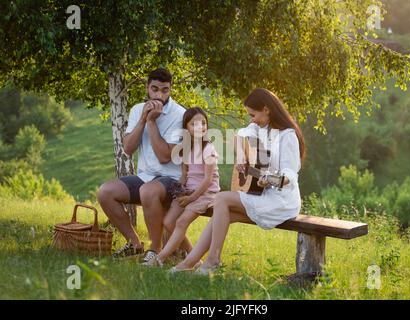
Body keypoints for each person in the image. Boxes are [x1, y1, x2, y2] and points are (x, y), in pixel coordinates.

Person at [171, 88, 306, 274]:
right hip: (264, 195)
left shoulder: (287, 136)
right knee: (221, 215)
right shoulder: (260, 129)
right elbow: (240, 134)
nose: (252, 119)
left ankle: (212, 261)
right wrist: (242, 155)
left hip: (282, 201)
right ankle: (189, 263)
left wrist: (270, 179)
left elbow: (289, 178)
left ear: (266, 109)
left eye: (253, 114)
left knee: (221, 199)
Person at [97, 68, 188, 261]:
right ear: (147, 88)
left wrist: (152, 122)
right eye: (154, 89)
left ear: (170, 89)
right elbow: (128, 148)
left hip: (171, 179)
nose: (159, 95)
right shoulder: (138, 109)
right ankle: (135, 243)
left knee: (148, 191)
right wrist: (142, 119)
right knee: (106, 192)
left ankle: (154, 250)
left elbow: (165, 157)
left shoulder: (180, 115)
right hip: (145, 176)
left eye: (165, 90)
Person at [142, 107, 220, 267]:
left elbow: (207, 180)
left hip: (205, 193)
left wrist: (191, 198)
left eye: (203, 123)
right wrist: (180, 190)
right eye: (194, 124)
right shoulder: (186, 149)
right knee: (169, 221)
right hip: (188, 191)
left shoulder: (209, 149)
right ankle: (195, 259)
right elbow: (184, 176)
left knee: (181, 222)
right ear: (186, 128)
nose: (200, 127)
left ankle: (159, 259)